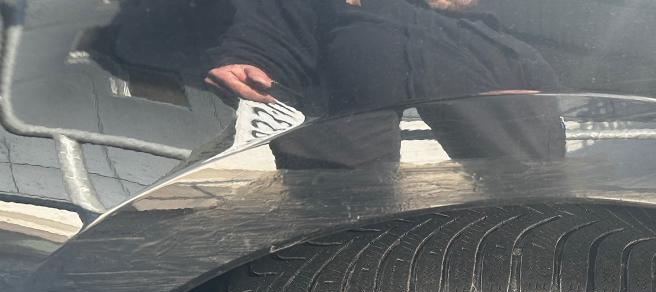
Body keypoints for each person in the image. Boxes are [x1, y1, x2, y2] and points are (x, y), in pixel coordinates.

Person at [204, 0, 565, 167]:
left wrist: (530, 89)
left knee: (529, 207)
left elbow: (534, 64)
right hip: (343, 130)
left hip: (505, 132)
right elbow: (269, 25)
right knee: (346, 229)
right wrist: (246, 58)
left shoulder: (482, 30)